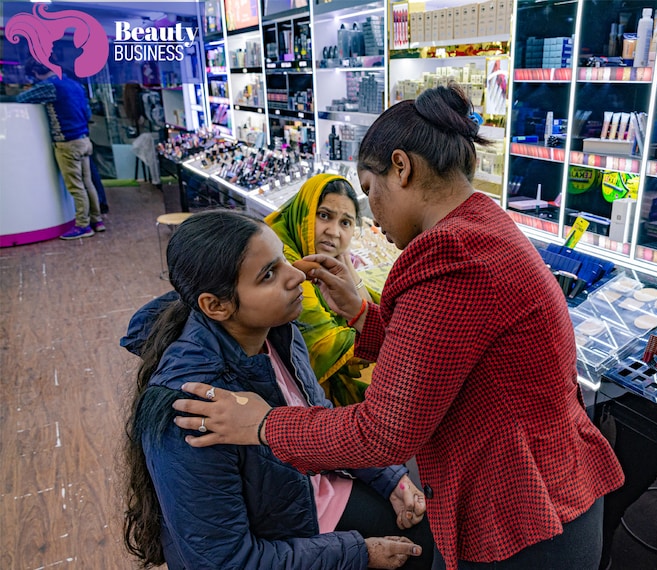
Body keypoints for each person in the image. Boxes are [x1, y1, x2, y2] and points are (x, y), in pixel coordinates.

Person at [172, 84, 625, 569]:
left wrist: (264, 425)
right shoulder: (482, 223)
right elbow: (444, 350)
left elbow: (385, 430)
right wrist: (363, 314)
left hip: (523, 510)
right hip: (547, 488)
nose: (370, 216)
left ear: (401, 168)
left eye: (369, 193)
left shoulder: (448, 252)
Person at [121, 209, 433, 569]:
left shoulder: (279, 333)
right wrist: (358, 553)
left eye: (284, 258)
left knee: (432, 536)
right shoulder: (192, 408)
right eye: (269, 274)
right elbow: (225, 561)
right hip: (290, 536)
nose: (298, 275)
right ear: (216, 306)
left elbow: (319, 417)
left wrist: (389, 477)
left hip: (311, 495)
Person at [265, 173, 379, 406]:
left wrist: (350, 270)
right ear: (303, 213)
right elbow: (328, 344)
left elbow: (373, 307)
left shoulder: (322, 260)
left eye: (345, 222)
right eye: (324, 216)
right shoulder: (282, 261)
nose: (334, 232)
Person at [17, 59, 104, 239]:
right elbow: (87, 113)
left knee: (76, 187)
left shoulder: (50, 86)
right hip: (84, 139)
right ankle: (97, 220)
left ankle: (83, 226)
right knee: (88, 183)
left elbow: (21, 99)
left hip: (67, 142)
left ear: (36, 72)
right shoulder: (74, 84)